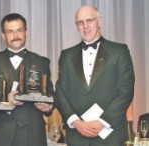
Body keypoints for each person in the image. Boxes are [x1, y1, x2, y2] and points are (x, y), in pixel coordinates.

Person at [55, 5, 135, 146]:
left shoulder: (119, 51)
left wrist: (102, 122)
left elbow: (126, 91)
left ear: (99, 22)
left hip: (111, 136)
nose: (85, 26)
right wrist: (76, 122)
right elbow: (61, 93)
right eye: (80, 22)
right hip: (77, 137)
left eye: (89, 20)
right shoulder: (66, 56)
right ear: (77, 26)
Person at [0, 13, 54, 146]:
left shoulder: (42, 62)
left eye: (19, 30)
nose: (15, 35)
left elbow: (50, 94)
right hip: (1, 133)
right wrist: (5, 101)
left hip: (34, 133)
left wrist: (48, 107)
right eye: (10, 31)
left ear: (26, 32)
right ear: (3, 36)